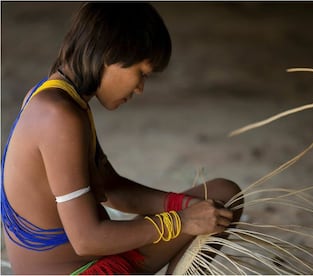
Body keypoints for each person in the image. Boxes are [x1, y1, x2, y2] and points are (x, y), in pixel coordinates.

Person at [1, 3, 242, 274]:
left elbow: (113, 189)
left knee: (223, 196)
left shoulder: (62, 99)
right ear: (111, 55)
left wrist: (187, 208)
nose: (140, 88)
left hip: (104, 258)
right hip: (85, 270)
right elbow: (86, 239)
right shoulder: (58, 117)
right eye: (141, 73)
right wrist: (182, 221)